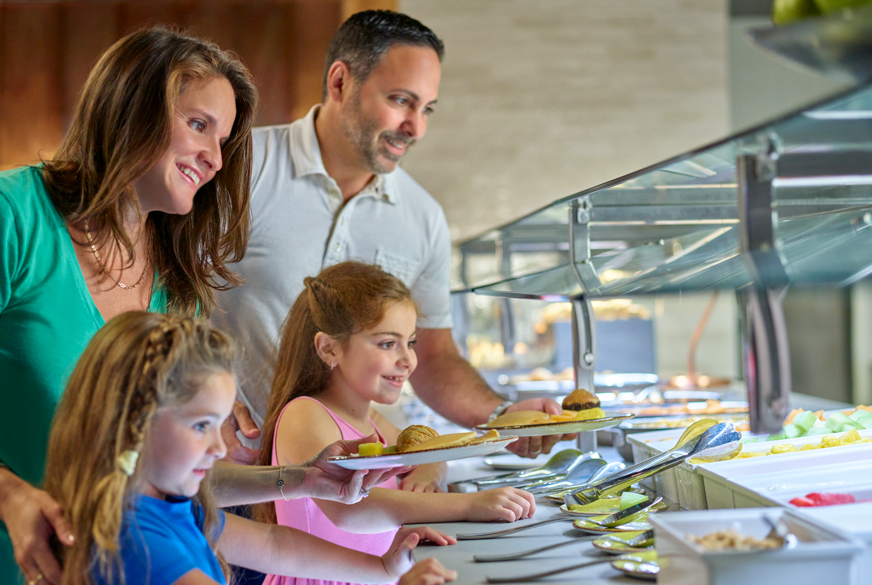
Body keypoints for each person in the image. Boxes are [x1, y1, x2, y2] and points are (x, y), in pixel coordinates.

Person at [0, 27, 395, 585]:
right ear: (129, 109)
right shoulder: (7, 215)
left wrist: (297, 479)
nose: (215, 159)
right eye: (198, 125)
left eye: (223, 140)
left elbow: (168, 475)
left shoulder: (176, 289)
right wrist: (6, 496)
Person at [214, 10, 571, 464]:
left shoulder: (423, 217)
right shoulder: (241, 169)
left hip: (361, 481)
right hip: (231, 468)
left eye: (427, 109)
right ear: (340, 82)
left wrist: (501, 415)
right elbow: (160, 298)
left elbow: (435, 357)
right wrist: (197, 388)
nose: (416, 127)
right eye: (402, 101)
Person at [45, 311, 456, 585]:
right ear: (132, 421)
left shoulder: (170, 506)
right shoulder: (139, 541)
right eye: (201, 425)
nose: (217, 447)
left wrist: (383, 569)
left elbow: (277, 546)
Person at [257, 261, 535, 585]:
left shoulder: (368, 417)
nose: (408, 360)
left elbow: (427, 451)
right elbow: (350, 509)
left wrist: (428, 469)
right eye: (388, 344)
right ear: (328, 348)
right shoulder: (305, 414)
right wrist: (467, 504)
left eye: (411, 342)